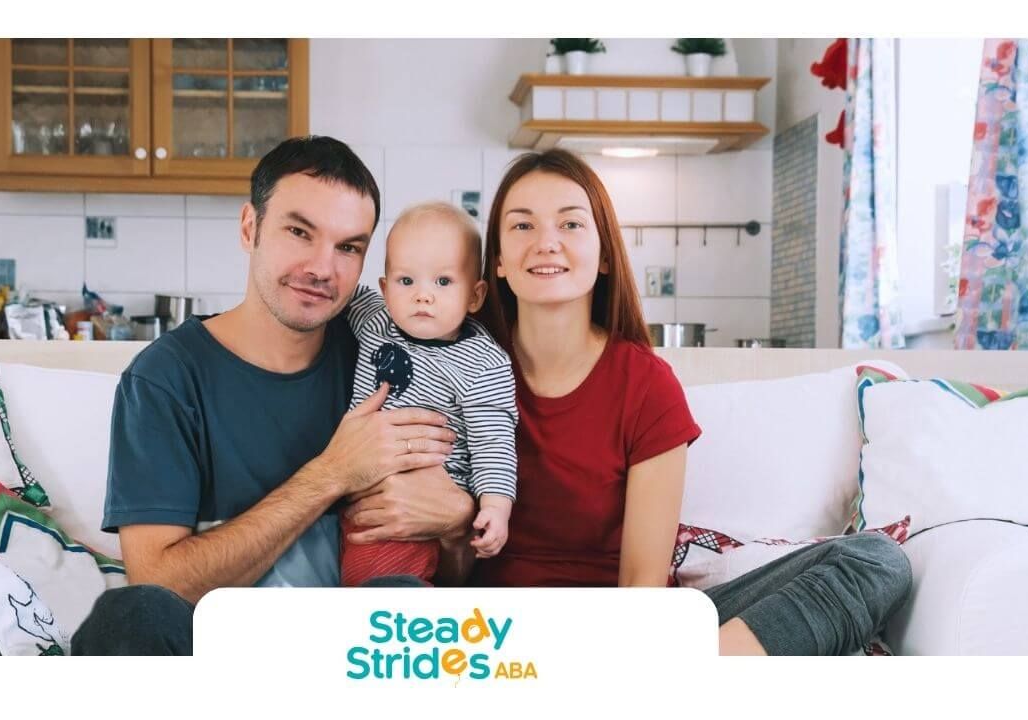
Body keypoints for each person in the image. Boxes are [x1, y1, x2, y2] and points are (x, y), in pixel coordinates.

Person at [347, 148, 913, 656]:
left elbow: (641, 587)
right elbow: (450, 576)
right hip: (499, 640)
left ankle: (668, 685)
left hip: (625, 635)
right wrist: (456, 527)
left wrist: (615, 656)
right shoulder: (449, 367)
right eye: (522, 225)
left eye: (571, 223)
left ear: (604, 254)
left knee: (875, 561)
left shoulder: (646, 384)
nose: (546, 241)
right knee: (389, 605)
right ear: (496, 261)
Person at [71, 136, 478, 655]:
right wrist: (332, 474)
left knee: (407, 604)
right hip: (215, 657)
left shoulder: (387, 359)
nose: (322, 268)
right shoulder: (166, 377)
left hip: (350, 660)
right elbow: (159, 582)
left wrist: (456, 524)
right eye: (299, 232)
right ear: (250, 228)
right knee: (126, 617)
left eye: (348, 247)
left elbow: (450, 578)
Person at [339, 202, 518, 587]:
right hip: (358, 495)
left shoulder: (482, 364)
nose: (423, 295)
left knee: (379, 589)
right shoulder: (376, 320)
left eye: (443, 282)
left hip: (421, 513)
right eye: (406, 281)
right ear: (385, 289)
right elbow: (338, 287)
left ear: (475, 295)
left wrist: (496, 508)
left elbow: (494, 444)